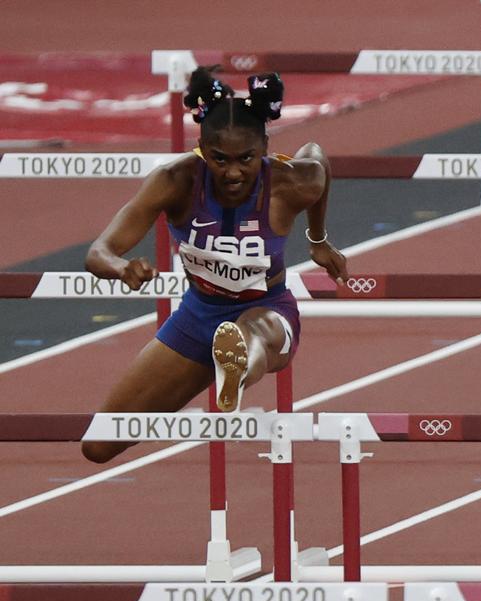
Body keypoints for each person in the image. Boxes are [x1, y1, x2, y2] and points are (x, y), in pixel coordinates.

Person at [82, 66, 347, 463]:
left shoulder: (291, 182)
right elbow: (98, 251)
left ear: (265, 149)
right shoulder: (176, 181)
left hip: (268, 309)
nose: (234, 172)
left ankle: (237, 368)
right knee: (100, 444)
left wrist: (318, 240)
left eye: (247, 159)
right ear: (202, 150)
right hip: (198, 316)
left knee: (252, 331)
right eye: (220, 159)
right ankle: (230, 360)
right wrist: (121, 269)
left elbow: (318, 160)